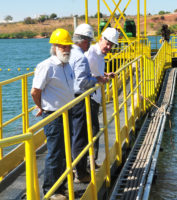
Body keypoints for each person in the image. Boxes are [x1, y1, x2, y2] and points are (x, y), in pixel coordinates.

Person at [30, 28, 74, 200]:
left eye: (68, 46)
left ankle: (61, 185)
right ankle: (51, 190)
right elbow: (35, 91)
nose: (66, 49)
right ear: (54, 47)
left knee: (65, 152)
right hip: (54, 116)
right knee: (55, 152)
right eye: (62, 46)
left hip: (67, 112)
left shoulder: (67, 65)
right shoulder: (46, 66)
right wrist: (41, 107)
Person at [69, 23, 108, 183]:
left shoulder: (68, 54)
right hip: (79, 100)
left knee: (71, 135)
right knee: (80, 137)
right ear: (84, 40)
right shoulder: (80, 57)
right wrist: (97, 79)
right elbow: (82, 82)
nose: (89, 45)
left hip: (68, 98)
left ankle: (72, 170)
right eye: (89, 41)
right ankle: (81, 173)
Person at [85, 27, 119, 162]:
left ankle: (91, 162)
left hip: (96, 96)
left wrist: (105, 75)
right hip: (89, 96)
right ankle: (89, 164)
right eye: (107, 43)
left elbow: (94, 70)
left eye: (111, 45)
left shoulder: (100, 55)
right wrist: (99, 79)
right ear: (100, 39)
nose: (109, 47)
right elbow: (82, 74)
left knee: (95, 130)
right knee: (92, 130)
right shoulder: (90, 53)